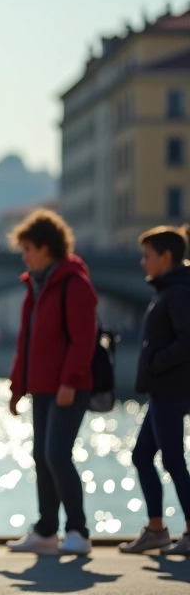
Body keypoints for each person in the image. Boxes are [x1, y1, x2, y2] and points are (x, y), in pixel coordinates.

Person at [5, 208, 99, 555]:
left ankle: (78, 531)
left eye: (28, 248)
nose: (24, 256)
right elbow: (26, 342)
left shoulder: (74, 284)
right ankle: (46, 531)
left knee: (57, 455)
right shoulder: (36, 287)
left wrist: (70, 381)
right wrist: (17, 389)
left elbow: (83, 338)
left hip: (68, 386)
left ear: (46, 247)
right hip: (42, 386)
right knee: (41, 456)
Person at [119, 225, 190, 555]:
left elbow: (187, 339)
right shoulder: (167, 290)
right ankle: (157, 529)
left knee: (174, 460)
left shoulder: (176, 292)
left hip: (171, 389)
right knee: (142, 456)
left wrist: (156, 363)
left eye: (147, 256)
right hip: (163, 389)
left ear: (167, 257)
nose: (142, 263)